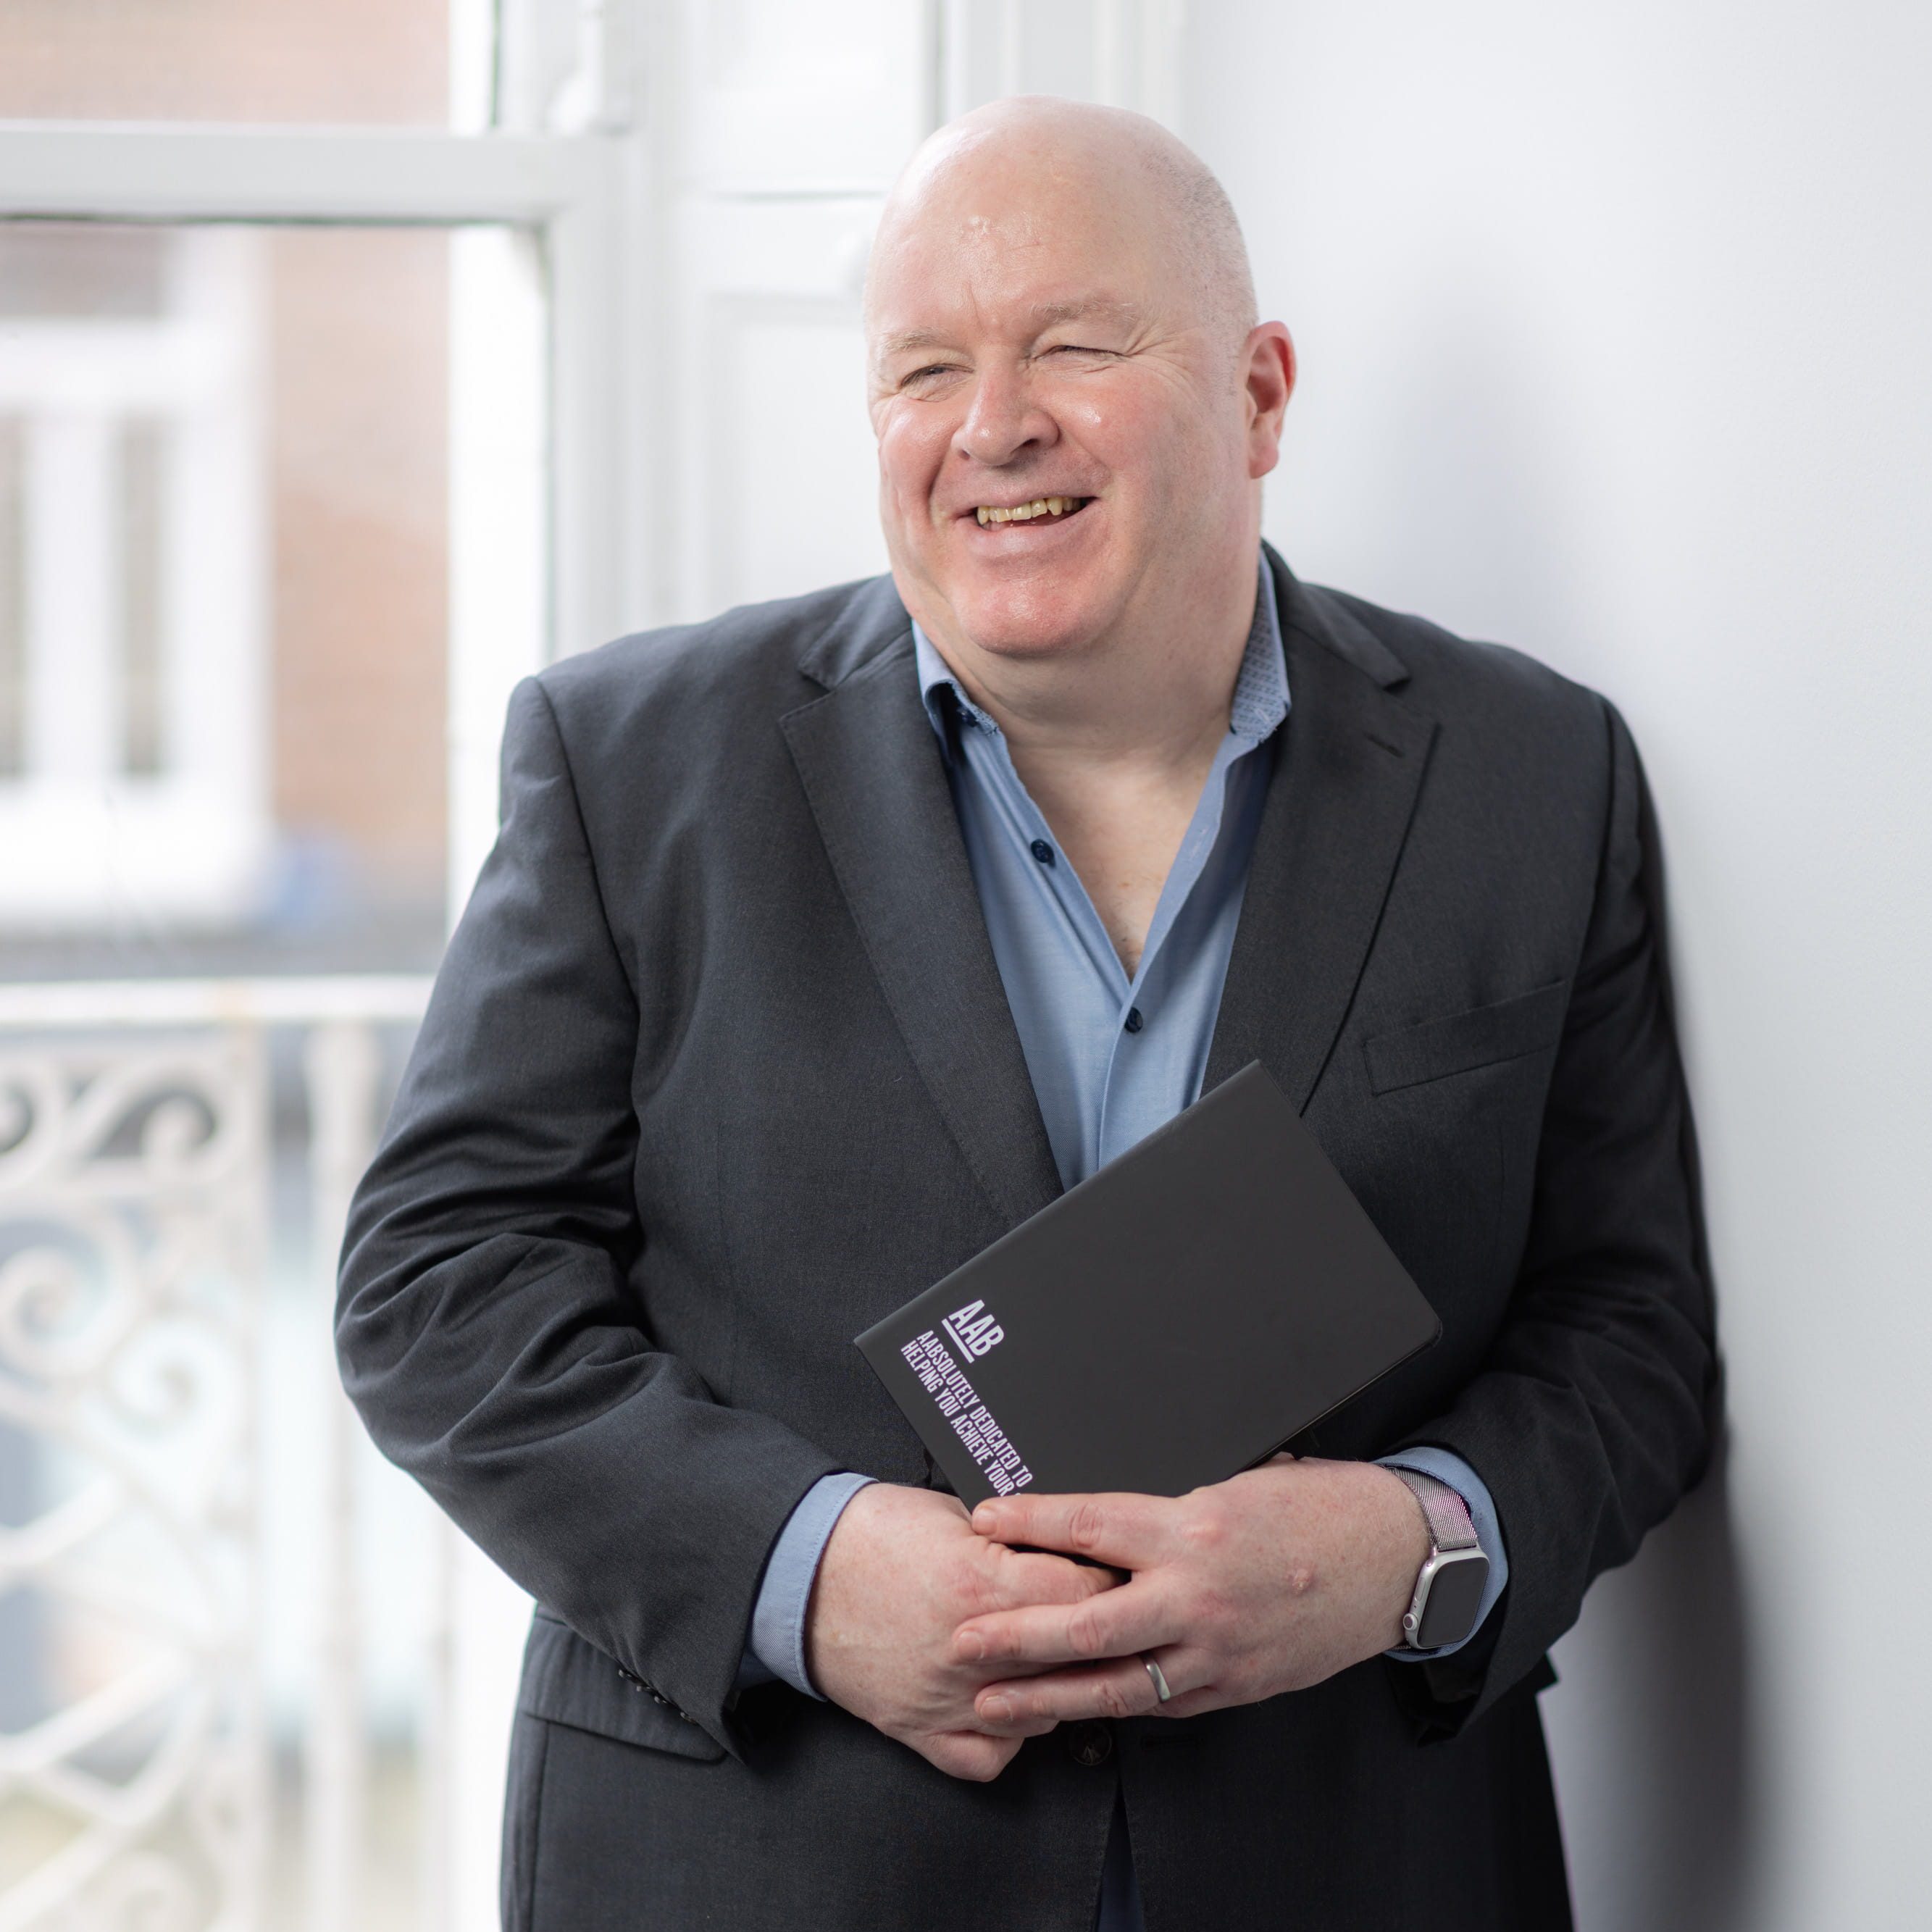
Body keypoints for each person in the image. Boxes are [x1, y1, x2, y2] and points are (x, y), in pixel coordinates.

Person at [337, 96, 1717, 1932]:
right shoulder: (629, 765)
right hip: (761, 1860)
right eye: (925, 367)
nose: (993, 426)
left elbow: (1626, 1330)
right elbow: (435, 1282)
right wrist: (801, 1569)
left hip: (1354, 1859)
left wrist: (1410, 1545)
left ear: (1259, 394)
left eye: (1074, 342)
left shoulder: (1532, 774)